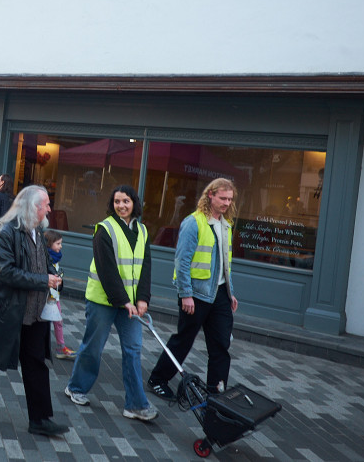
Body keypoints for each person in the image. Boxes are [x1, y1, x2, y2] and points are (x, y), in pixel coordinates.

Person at [0, 185, 68, 437]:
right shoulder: (7, 232)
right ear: (34, 207)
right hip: (7, 309)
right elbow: (5, 271)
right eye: (45, 204)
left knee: (35, 363)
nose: (49, 209)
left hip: (34, 311)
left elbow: (42, 264)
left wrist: (52, 275)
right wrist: (43, 279)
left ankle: (40, 419)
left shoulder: (37, 231)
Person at [63, 186, 157, 421]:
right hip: (103, 301)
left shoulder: (143, 230)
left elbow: (146, 267)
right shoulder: (104, 229)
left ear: (134, 202)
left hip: (132, 304)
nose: (121, 206)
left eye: (126, 201)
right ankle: (76, 388)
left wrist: (143, 298)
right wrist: (124, 301)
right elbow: (106, 270)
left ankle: (135, 405)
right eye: (117, 202)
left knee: (133, 350)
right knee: (93, 347)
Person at [147, 178, 239, 399]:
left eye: (230, 199)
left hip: (219, 295)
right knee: (184, 340)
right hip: (195, 295)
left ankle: (217, 392)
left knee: (220, 347)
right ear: (211, 195)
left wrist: (230, 292)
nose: (227, 203)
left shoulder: (226, 224)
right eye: (223, 198)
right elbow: (182, 261)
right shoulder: (193, 222)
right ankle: (158, 380)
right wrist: (185, 294)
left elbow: (225, 263)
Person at [45, 231, 76, 360]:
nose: (60, 246)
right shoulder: (46, 257)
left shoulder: (56, 256)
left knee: (58, 321)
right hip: (47, 296)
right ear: (49, 243)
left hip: (54, 295)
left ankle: (61, 347)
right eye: (58, 243)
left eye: (61, 243)